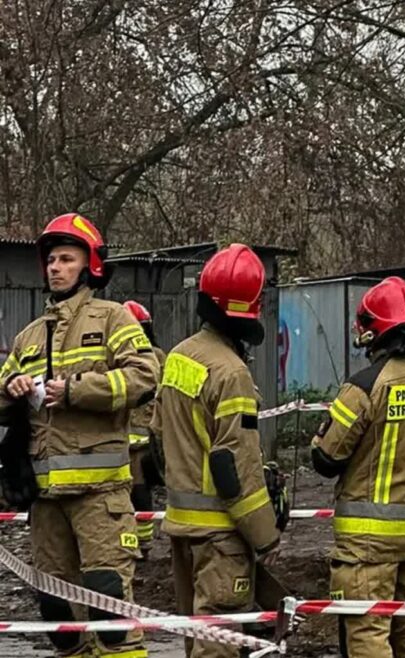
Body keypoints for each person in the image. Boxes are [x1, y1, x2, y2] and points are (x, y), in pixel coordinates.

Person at [0, 213, 159, 658]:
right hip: (47, 504)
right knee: (60, 621)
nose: (54, 267)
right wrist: (8, 392)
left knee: (111, 618)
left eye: (66, 258)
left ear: (89, 265)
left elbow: (145, 377)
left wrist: (75, 390)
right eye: (50, 259)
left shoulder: (113, 319)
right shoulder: (29, 337)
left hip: (99, 498)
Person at [311, 276, 405, 658]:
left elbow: (326, 459)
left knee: (368, 635)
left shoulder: (364, 386)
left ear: (374, 332)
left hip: (366, 545)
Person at [150, 244, 282, 658]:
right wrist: (265, 535)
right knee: (218, 646)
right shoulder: (231, 371)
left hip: (182, 532)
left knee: (197, 639)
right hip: (221, 538)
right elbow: (233, 466)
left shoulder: (178, 358)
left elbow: (157, 440)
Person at [123, 300, 166, 557]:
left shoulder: (156, 358)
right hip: (120, 440)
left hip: (141, 442)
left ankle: (143, 544)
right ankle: (133, 543)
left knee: (138, 492)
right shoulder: (118, 356)